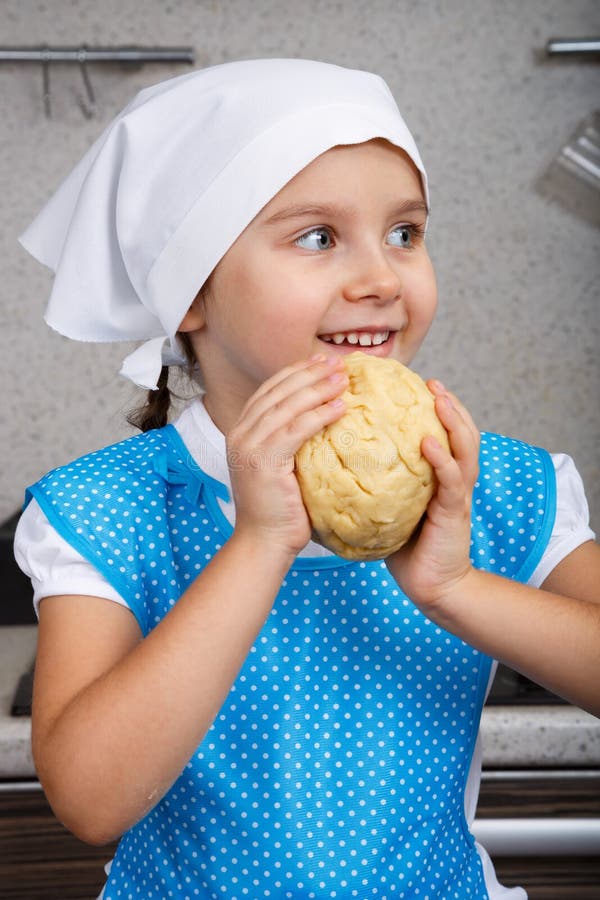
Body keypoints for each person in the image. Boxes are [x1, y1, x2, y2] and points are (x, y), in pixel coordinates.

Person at [14, 58, 599, 900]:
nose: (381, 278)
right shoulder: (107, 510)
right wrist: (257, 545)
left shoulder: (494, 485)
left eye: (405, 232)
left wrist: (455, 585)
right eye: (318, 238)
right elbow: (90, 798)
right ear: (191, 291)